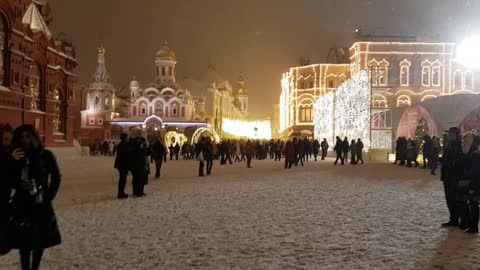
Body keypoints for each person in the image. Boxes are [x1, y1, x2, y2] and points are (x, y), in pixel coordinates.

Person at [9, 125, 62, 270]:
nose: (25, 140)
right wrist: (12, 161)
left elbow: (56, 177)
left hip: (40, 203)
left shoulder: (46, 155)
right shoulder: (16, 155)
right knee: (24, 242)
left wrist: (49, 194)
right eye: (22, 137)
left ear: (34, 137)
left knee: (40, 239)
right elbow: (8, 179)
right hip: (22, 203)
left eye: (28, 136)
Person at [1, 124, 23, 255]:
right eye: (5, 139)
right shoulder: (7, 155)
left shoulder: (11, 152)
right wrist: (10, 159)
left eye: (10, 140)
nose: (8, 143)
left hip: (5, 199)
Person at [441, 127, 463, 227]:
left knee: (453, 199)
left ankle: (455, 219)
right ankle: (453, 218)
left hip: (453, 177)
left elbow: (456, 162)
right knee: (449, 199)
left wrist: (446, 162)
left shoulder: (457, 146)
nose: (449, 135)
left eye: (450, 134)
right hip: (447, 176)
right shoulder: (449, 144)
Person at [466, 135, 480, 234]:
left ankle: (473, 226)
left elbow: (474, 172)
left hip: (475, 185)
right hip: (476, 184)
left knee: (474, 205)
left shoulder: (475, 154)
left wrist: (472, 186)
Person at [114, 133, 130, 199]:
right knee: (122, 179)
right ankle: (120, 193)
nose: (128, 138)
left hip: (121, 164)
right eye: (127, 137)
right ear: (125, 138)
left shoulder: (121, 144)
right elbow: (125, 154)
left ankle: (121, 192)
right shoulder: (123, 145)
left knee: (122, 179)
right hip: (122, 164)